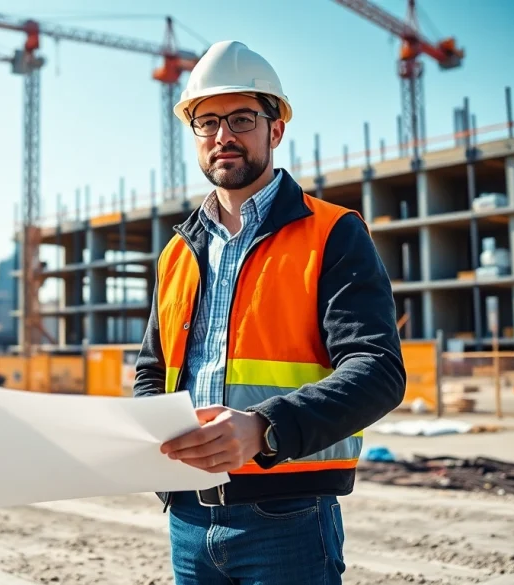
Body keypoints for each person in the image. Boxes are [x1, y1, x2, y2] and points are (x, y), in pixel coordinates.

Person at [133, 40, 406, 584]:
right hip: (186, 516)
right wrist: (149, 434)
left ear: (275, 130)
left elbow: (378, 370)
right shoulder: (178, 251)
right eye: (207, 122)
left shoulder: (333, 232)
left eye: (241, 118)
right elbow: (152, 370)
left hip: (288, 516)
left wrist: (263, 429)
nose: (223, 136)